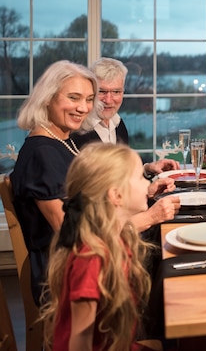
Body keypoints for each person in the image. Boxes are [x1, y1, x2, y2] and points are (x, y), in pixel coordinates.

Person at [11, 60, 179, 306]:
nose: (84, 107)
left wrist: (142, 194)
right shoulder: (42, 153)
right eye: (74, 97)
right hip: (69, 272)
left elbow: (91, 208)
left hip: (90, 258)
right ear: (48, 98)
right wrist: (147, 218)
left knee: (170, 255)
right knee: (166, 259)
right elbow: (76, 235)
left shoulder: (61, 142)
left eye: (89, 99)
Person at [41, 143, 160, 351]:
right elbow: (80, 341)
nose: (147, 184)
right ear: (116, 195)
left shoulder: (118, 240)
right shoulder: (92, 259)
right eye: (141, 177)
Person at [72, 57, 178, 179]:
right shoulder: (76, 129)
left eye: (116, 92)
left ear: (123, 92)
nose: (108, 100)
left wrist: (147, 168)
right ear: (90, 92)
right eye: (102, 91)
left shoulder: (118, 123)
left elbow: (120, 171)